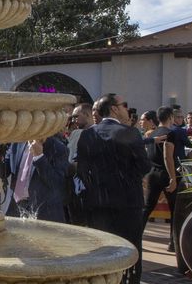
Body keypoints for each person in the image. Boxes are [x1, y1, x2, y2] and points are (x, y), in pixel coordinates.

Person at [76, 94, 151, 284]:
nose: (127, 109)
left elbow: (83, 170)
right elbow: (144, 166)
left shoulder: (87, 134)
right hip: (128, 203)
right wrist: (130, 180)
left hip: (98, 203)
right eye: (123, 105)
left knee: (102, 250)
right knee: (131, 251)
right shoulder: (129, 132)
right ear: (114, 109)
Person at [141, 106, 181, 253]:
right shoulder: (170, 133)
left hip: (152, 173)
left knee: (147, 207)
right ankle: (173, 243)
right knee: (174, 209)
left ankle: (136, 237)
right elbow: (167, 156)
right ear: (170, 117)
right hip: (166, 173)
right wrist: (172, 178)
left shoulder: (153, 133)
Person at [6, 135, 69, 223]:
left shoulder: (58, 149)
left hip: (44, 215)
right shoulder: (17, 143)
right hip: (16, 211)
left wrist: (39, 157)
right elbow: (4, 170)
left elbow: (57, 183)